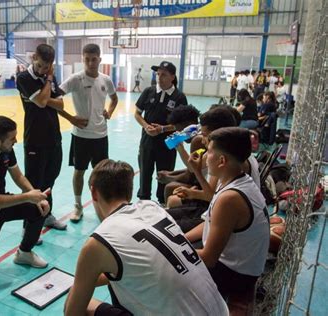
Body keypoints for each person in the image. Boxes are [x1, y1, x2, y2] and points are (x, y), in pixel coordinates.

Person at [64, 159, 228, 316]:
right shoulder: (152, 207)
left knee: (74, 297)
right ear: (129, 191)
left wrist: (82, 281)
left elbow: (73, 313)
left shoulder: (98, 242)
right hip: (220, 309)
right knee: (117, 276)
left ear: (93, 192)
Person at [186, 127, 269, 314]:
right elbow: (210, 222)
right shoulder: (236, 180)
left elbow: (208, 258)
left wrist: (171, 249)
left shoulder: (230, 198)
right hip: (238, 265)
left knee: (165, 268)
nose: (206, 156)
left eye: (209, 152)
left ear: (222, 160)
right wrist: (181, 238)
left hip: (236, 276)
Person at [16, 44, 85, 230]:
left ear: (51, 65)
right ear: (33, 58)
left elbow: (60, 104)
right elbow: (41, 101)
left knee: (49, 180)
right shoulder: (23, 78)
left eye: (46, 67)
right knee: (33, 185)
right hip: (34, 140)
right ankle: (29, 226)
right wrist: (48, 81)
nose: (42, 70)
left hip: (53, 138)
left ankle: (46, 216)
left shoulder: (48, 78)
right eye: (39, 66)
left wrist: (53, 103)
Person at [0, 116, 50, 268]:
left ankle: (24, 253)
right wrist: (27, 197)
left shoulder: (6, 149)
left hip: (3, 203)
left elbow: (18, 176)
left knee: (39, 209)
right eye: (12, 138)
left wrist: (36, 196)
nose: (16, 141)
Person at [59, 43, 118, 222]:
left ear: (100, 59)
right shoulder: (75, 79)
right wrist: (71, 118)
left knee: (101, 174)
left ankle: (101, 205)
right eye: (87, 59)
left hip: (101, 135)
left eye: (94, 59)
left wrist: (110, 111)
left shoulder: (106, 80)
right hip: (81, 136)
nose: (91, 63)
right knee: (79, 171)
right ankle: (77, 206)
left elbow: (114, 98)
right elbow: (54, 98)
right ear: (82, 59)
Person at [135, 61, 188, 203]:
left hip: (168, 145)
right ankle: (143, 201)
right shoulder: (149, 92)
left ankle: (162, 202)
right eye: (158, 74)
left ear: (172, 77)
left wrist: (163, 129)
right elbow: (137, 114)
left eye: (164, 74)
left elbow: (182, 124)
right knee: (145, 173)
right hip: (147, 142)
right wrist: (146, 126)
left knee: (164, 176)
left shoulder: (179, 97)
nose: (159, 77)